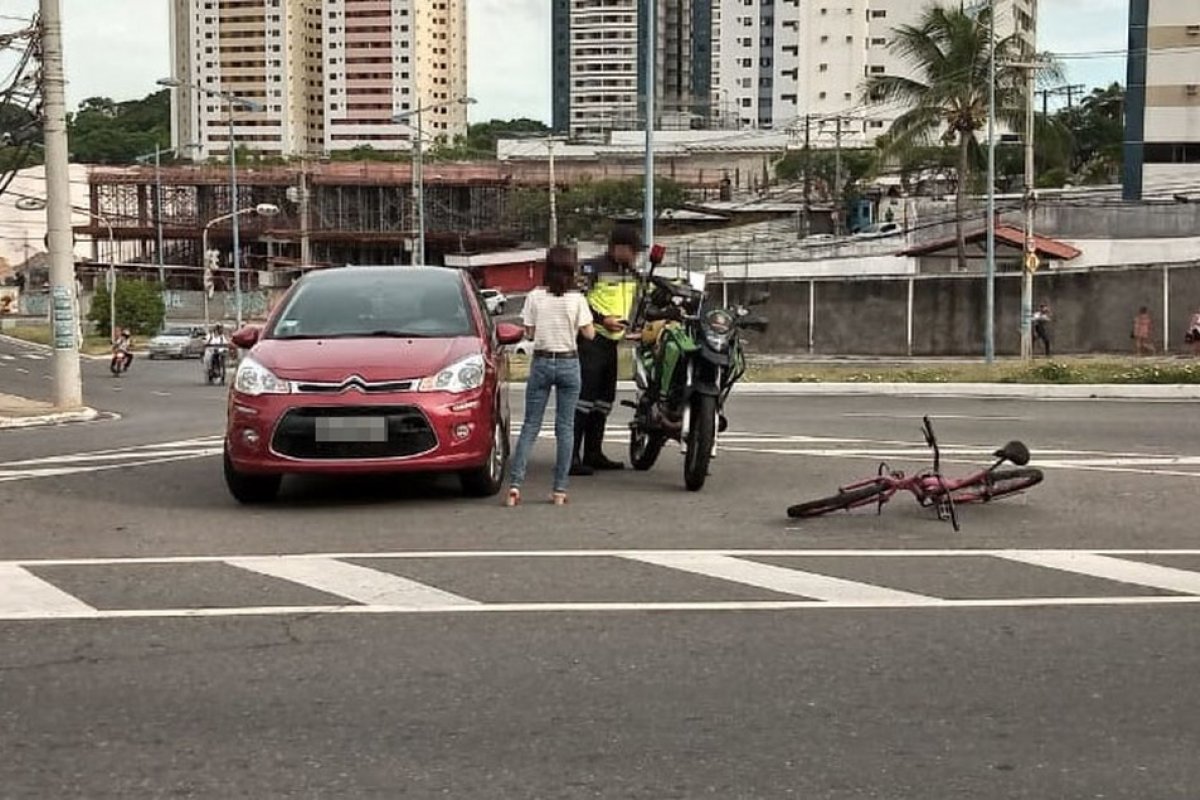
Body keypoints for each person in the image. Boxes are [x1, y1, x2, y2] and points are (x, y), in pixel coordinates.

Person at [505, 247, 596, 507]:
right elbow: (589, 334)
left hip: (542, 362)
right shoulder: (577, 299)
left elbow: (530, 333)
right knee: (565, 428)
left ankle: (514, 486)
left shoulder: (535, 297)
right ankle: (559, 490)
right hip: (569, 362)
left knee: (530, 425)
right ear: (571, 269)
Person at [571, 224, 641, 475]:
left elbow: (635, 304)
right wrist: (602, 321)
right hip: (591, 341)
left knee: (603, 401)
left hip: (613, 343)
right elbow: (577, 301)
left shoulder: (631, 273)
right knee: (583, 401)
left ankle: (593, 452)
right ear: (619, 248)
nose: (636, 257)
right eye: (633, 251)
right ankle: (571, 457)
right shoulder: (592, 268)